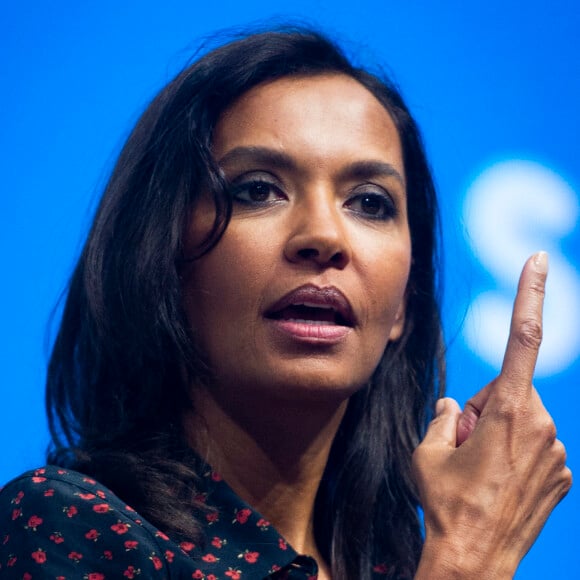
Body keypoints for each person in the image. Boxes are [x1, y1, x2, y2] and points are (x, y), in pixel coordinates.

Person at [0, 27, 571, 580]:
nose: (325, 235)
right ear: (161, 260)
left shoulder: (396, 567)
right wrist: (469, 561)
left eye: (369, 203)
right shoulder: (71, 525)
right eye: (257, 190)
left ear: (405, 305)